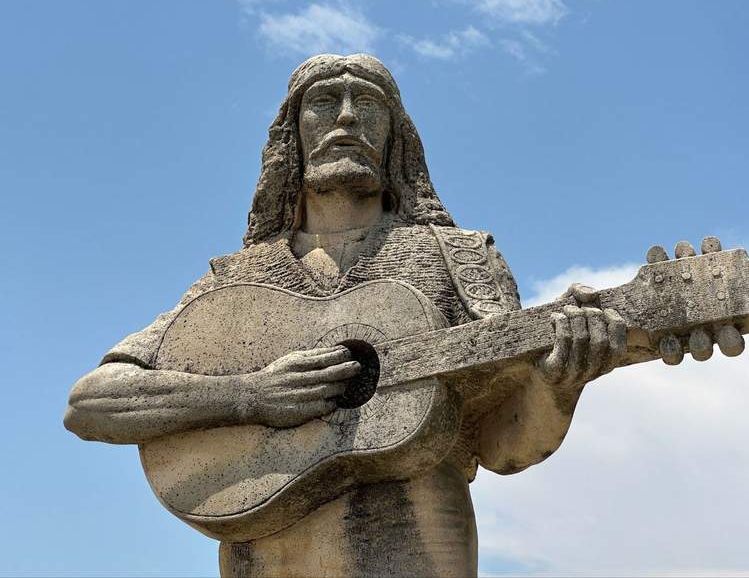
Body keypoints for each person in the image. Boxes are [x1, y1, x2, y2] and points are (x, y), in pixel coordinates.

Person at [64, 54, 626, 577]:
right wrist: (248, 396)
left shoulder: (459, 259)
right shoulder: (236, 280)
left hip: (415, 540)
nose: (349, 117)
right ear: (293, 134)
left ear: (395, 139)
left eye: (370, 104)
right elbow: (91, 402)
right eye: (326, 101)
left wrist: (556, 387)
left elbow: (503, 447)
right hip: (264, 543)